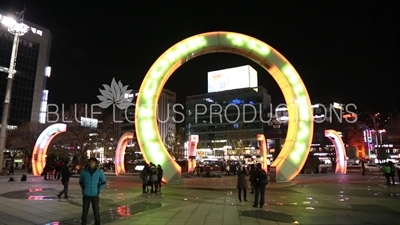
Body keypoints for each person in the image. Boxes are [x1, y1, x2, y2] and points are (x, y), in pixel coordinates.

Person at [79, 158, 107, 225]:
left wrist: (98, 190)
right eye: (90, 162)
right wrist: (84, 189)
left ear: (95, 163)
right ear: (88, 163)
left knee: (96, 212)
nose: (91, 164)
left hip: (95, 195)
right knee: (84, 212)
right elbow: (81, 182)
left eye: (93, 162)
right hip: (86, 195)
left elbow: (103, 182)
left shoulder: (99, 172)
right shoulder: (84, 172)